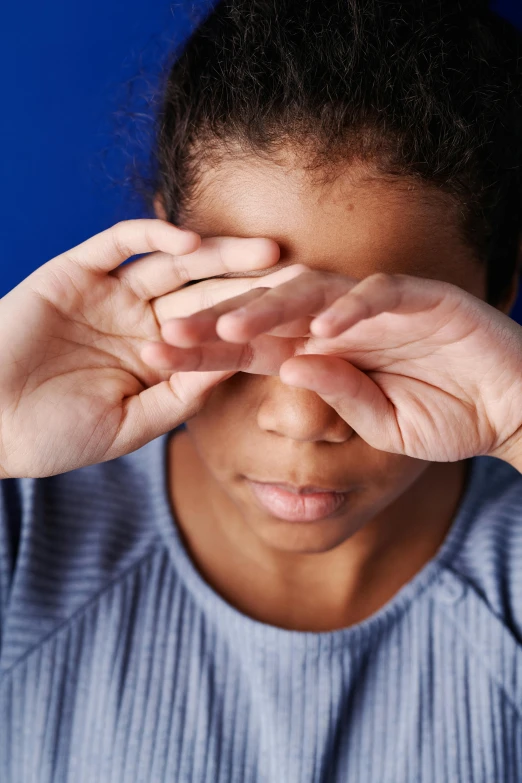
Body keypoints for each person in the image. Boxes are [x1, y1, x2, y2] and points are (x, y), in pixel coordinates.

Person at [1, 0, 522, 780]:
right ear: (164, 258)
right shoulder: (22, 539)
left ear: (502, 286)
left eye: (379, 336)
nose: (301, 416)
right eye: (244, 315)